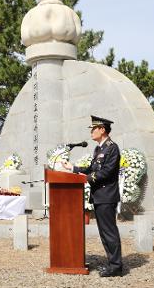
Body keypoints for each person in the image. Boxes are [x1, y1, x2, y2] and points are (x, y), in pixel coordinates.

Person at [62, 115, 123, 277]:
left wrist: (86, 179)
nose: (91, 132)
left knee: (109, 232)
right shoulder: (99, 149)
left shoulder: (112, 148)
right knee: (104, 233)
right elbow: (92, 168)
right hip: (99, 196)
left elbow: (107, 172)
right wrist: (73, 168)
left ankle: (116, 266)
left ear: (102, 130)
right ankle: (112, 264)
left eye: (93, 129)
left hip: (107, 195)